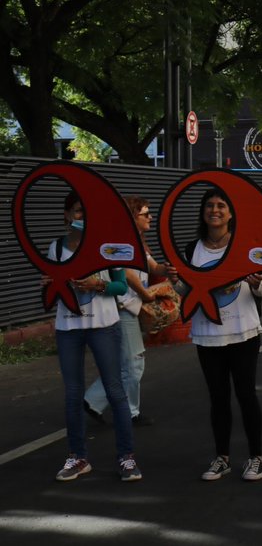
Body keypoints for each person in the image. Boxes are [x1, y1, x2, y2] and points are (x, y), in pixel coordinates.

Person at [45, 191, 142, 482]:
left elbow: (120, 287)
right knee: (73, 394)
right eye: (76, 212)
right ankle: (78, 457)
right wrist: (51, 284)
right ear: (66, 215)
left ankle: (126, 457)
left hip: (104, 325)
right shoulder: (56, 249)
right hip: (68, 327)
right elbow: (51, 293)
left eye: (86, 213)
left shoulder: (107, 247)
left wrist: (97, 285)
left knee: (115, 389)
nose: (81, 218)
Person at [179, 188, 262, 482]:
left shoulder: (246, 246)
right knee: (218, 397)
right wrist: (178, 282)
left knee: (246, 394)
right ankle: (222, 458)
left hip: (243, 331)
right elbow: (185, 290)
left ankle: (256, 457)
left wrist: (257, 283)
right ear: (202, 212)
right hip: (208, 334)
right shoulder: (192, 249)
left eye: (221, 206)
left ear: (231, 214)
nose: (214, 210)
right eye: (209, 205)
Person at [82, 196, 171, 427]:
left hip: (128, 308)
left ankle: (93, 401)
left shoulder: (139, 243)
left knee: (124, 363)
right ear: (132, 217)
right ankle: (127, 411)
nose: (151, 217)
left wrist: (169, 269)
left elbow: (153, 267)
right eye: (145, 214)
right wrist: (145, 293)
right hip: (123, 307)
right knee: (133, 362)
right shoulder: (123, 243)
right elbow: (128, 275)